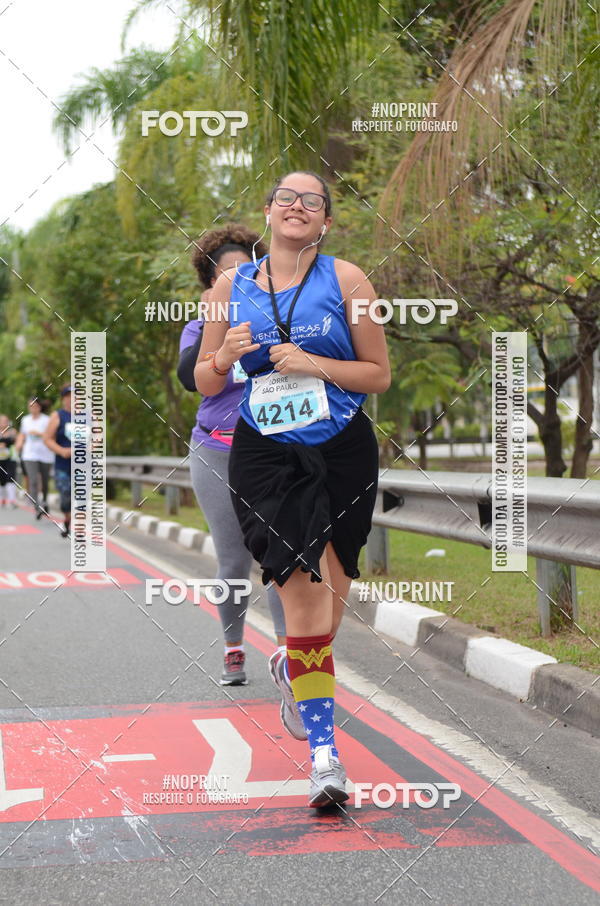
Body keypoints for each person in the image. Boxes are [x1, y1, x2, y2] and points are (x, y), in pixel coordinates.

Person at [194, 171, 390, 807]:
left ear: (325, 221)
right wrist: (224, 359)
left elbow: (378, 374)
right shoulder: (231, 286)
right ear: (270, 213)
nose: (298, 207)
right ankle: (325, 757)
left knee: (330, 606)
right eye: (287, 199)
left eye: (313, 201)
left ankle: (289, 665)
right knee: (303, 604)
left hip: (341, 450)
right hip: (267, 454)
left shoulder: (349, 279)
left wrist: (317, 365)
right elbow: (204, 380)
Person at [178, 224, 294, 695]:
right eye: (226, 273)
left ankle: (290, 654)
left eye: (247, 269)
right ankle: (233, 646)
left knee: (280, 555)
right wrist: (220, 341)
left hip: (274, 450)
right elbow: (191, 377)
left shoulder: (281, 316)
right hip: (216, 449)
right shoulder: (200, 326)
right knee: (232, 560)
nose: (238, 279)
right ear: (210, 284)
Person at [16, 397, 54, 519]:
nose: (33, 408)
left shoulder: (47, 420)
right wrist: (19, 443)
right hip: (29, 454)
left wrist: (39, 434)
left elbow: (52, 435)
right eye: (30, 406)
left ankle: (45, 501)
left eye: (35, 406)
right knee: (32, 481)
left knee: (44, 481)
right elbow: (22, 434)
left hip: (45, 454)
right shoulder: (25, 420)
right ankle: (37, 507)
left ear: (39, 407)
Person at [43, 385, 72, 537]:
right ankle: (67, 519)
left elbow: (98, 436)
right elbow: (47, 439)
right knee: (66, 497)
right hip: (63, 465)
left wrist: (91, 447)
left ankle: (78, 529)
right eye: (69, 396)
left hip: (84, 465)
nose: (73, 399)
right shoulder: (57, 416)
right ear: (63, 399)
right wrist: (62, 451)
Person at [0, 415, 18, 508]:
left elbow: (15, 441)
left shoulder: (12, 432)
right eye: (2, 421)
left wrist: (5, 444)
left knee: (10, 478)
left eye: (6, 421)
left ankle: (12, 500)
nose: (4, 423)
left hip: (11, 458)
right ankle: (2, 498)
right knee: (2, 480)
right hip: (1, 459)